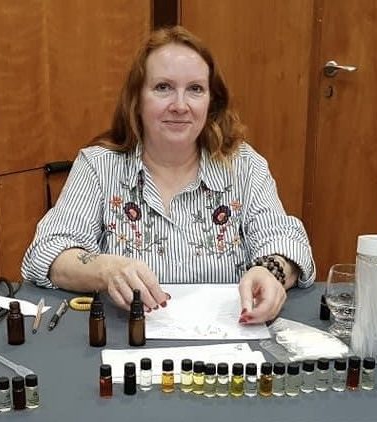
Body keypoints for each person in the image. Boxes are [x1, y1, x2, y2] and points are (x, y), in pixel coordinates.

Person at [21, 26, 315, 324]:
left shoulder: (244, 166)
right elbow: (48, 251)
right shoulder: (98, 166)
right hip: (128, 344)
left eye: (195, 89)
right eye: (163, 87)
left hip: (225, 347)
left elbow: (285, 241)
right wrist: (105, 269)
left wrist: (270, 271)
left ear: (211, 102)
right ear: (137, 99)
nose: (179, 106)